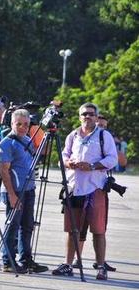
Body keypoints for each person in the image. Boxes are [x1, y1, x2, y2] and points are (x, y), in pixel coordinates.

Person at [52, 103, 117, 280]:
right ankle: (68, 264)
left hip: (95, 188)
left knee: (98, 230)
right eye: (84, 114)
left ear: (96, 117)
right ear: (79, 116)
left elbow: (112, 159)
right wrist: (68, 163)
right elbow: (63, 157)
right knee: (72, 230)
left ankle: (101, 266)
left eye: (91, 114)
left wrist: (93, 166)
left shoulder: (104, 136)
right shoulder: (73, 135)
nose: (87, 117)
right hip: (74, 187)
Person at [0, 109, 48, 273]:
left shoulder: (28, 139)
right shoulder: (7, 143)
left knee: (27, 226)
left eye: (26, 124)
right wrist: (12, 195)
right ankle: (8, 261)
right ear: (12, 123)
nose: (22, 127)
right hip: (15, 191)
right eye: (18, 124)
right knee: (12, 226)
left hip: (29, 189)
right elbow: (4, 170)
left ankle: (26, 259)